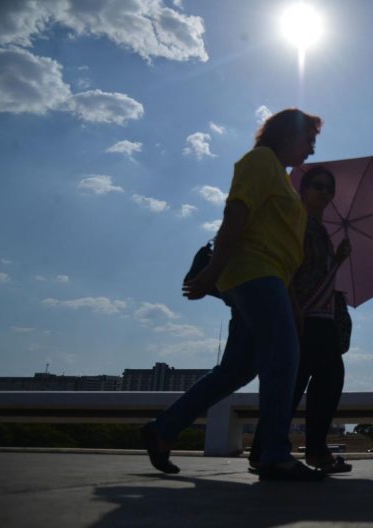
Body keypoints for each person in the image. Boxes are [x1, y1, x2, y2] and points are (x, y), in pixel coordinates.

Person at [141, 108, 325, 481]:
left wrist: (292, 303)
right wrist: (211, 271)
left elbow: (281, 250)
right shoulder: (260, 161)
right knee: (283, 357)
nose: (310, 151)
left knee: (237, 370)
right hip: (252, 273)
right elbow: (236, 216)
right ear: (288, 135)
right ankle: (274, 453)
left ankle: (163, 429)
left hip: (269, 277)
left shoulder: (281, 179)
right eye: (309, 140)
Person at [248, 166, 353, 474]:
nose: (325, 192)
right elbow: (287, 266)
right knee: (319, 379)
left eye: (329, 189)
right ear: (303, 190)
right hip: (303, 314)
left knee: (304, 380)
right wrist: (292, 306)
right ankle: (311, 451)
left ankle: (265, 449)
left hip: (321, 316)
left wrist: (338, 260)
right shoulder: (298, 224)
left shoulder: (321, 230)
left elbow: (317, 271)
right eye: (318, 186)